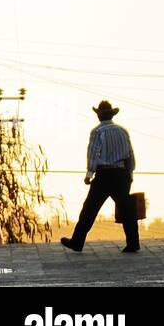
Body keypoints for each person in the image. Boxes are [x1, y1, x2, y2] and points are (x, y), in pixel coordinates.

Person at [60, 101, 139, 253]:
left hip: (104, 175)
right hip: (122, 174)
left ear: (98, 115)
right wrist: (130, 173)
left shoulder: (97, 132)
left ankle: (77, 241)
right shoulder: (122, 130)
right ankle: (133, 243)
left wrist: (89, 173)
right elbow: (130, 153)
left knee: (89, 209)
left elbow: (93, 153)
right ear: (112, 114)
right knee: (127, 209)